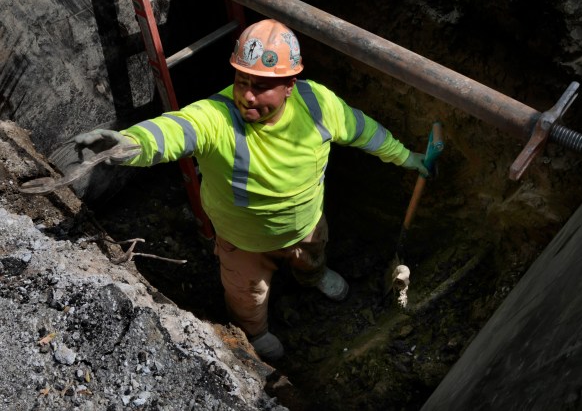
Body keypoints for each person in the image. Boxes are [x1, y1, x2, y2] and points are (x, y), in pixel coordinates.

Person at [74, 19, 428, 361]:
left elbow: (365, 131)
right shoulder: (217, 116)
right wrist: (132, 144)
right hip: (243, 243)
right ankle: (255, 333)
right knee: (247, 295)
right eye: (242, 80)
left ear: (290, 84)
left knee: (312, 257)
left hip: (307, 226)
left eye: (261, 85)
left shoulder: (318, 105)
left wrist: (407, 158)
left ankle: (314, 277)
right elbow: (177, 129)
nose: (246, 95)